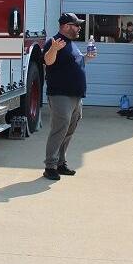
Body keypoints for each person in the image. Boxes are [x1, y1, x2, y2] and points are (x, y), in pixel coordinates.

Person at [42, 13, 95, 181]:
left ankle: (60, 163)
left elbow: (73, 64)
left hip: (75, 95)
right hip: (60, 95)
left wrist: (87, 58)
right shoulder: (54, 42)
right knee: (59, 129)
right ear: (66, 26)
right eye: (76, 25)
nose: (79, 28)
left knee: (69, 130)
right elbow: (48, 62)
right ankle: (50, 166)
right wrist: (53, 49)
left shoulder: (71, 44)